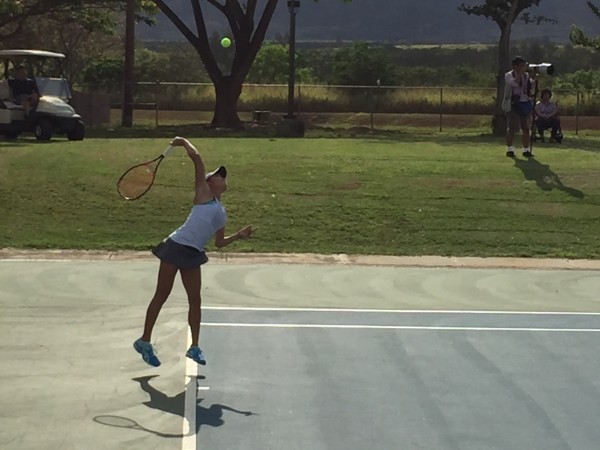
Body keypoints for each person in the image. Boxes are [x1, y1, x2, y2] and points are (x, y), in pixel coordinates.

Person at [134, 136, 254, 367]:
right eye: (219, 175)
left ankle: (195, 347)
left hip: (193, 253)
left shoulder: (221, 212)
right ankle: (144, 341)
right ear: (210, 182)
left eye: (223, 175)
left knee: (195, 300)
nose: (223, 177)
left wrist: (239, 235)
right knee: (162, 294)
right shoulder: (203, 193)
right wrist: (183, 142)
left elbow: (219, 242)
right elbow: (197, 159)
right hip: (176, 246)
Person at [503, 56, 534, 158]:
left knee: (525, 128)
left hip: (524, 103)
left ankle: (525, 149)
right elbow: (515, 83)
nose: (523, 67)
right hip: (514, 104)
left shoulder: (526, 75)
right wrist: (519, 73)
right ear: (515, 66)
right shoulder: (508, 75)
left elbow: (529, 86)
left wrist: (535, 79)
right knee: (512, 128)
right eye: (521, 65)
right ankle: (510, 149)